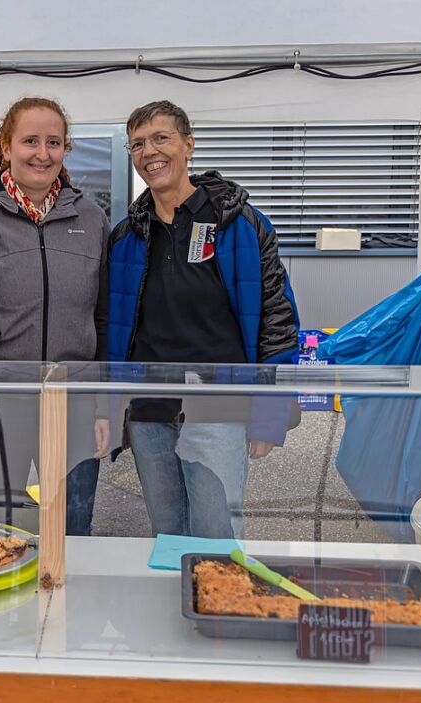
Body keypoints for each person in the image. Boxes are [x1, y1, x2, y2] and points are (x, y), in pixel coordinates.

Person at [107, 100, 299, 539]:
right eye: (137, 144)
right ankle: (172, 608)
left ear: (188, 145)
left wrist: (269, 413)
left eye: (161, 138)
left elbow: (276, 319)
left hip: (218, 407)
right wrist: (114, 408)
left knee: (216, 532)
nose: (149, 152)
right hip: (149, 410)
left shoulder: (241, 225)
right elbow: (113, 331)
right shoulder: (126, 236)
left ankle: (214, 608)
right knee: (167, 532)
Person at [0, 96, 110, 536]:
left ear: (66, 149)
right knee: (2, 527)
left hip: (74, 403)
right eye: (30, 140)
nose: (42, 153)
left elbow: (105, 319)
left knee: (71, 526)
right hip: (2, 403)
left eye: (54, 142)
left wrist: (105, 406)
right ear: (5, 147)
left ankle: (69, 605)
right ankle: (4, 606)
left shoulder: (92, 220)